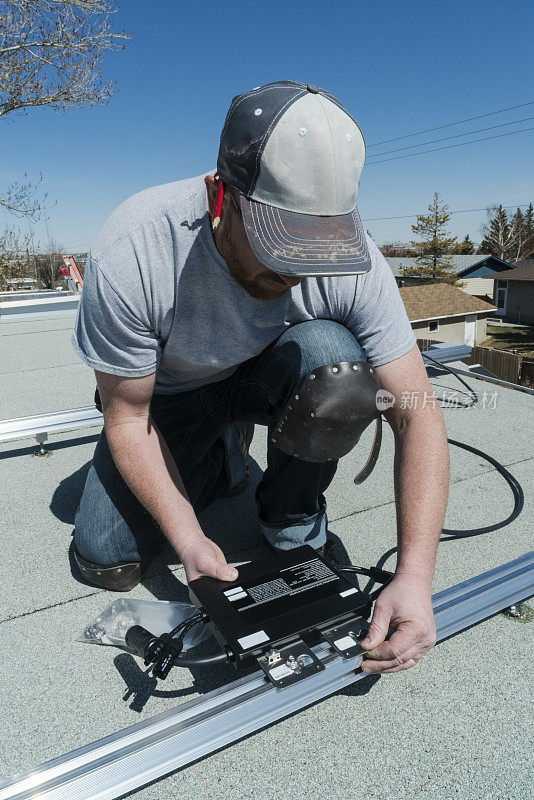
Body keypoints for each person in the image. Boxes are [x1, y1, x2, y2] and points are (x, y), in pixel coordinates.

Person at [72, 80, 449, 675]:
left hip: (269, 377)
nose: (296, 272)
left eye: (315, 248)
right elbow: (129, 416)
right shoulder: (135, 247)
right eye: (279, 246)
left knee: (338, 362)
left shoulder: (358, 259)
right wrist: (191, 539)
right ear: (221, 197)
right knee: (103, 557)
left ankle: (290, 517)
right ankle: (222, 457)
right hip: (170, 401)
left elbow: (416, 407)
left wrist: (415, 578)